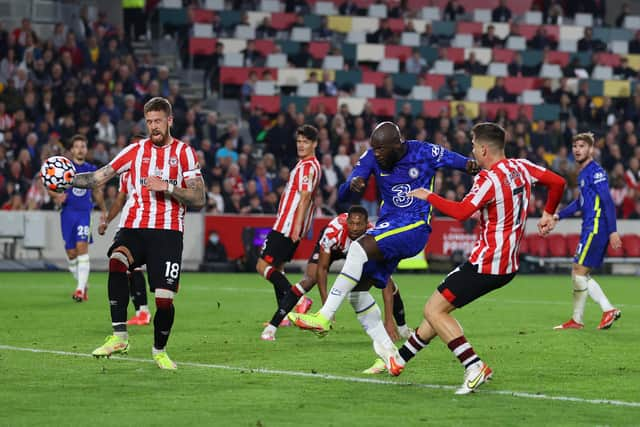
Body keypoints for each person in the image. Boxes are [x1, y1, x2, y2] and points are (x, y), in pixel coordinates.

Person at [386, 122, 566, 395]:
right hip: (508, 265)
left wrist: (429, 196)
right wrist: (548, 212)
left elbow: (461, 212)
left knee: (433, 310)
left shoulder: (487, 179)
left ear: (483, 149)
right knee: (439, 310)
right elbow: (558, 182)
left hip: (487, 262)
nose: (471, 150)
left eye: (472, 145)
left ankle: (474, 365)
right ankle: (399, 360)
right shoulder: (522, 166)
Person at [288, 122, 479, 370]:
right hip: (387, 226)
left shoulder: (423, 152)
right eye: (374, 149)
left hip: (414, 226)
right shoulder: (371, 157)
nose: (376, 154)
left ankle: (324, 316)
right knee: (357, 292)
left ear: (396, 146)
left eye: (381, 150)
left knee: (357, 248)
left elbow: (464, 164)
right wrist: (353, 184)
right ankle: (390, 355)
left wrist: (474, 166)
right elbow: (344, 192)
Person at [67, 97, 205, 370]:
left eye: (158, 121)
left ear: (170, 121)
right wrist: (67, 181)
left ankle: (159, 350)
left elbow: (199, 197)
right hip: (134, 226)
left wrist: (167, 186)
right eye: (149, 121)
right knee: (117, 261)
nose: (153, 127)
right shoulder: (134, 151)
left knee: (164, 300)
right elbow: (98, 177)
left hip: (168, 231)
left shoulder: (185, 153)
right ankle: (119, 336)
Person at [261, 206, 412, 348]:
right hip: (333, 248)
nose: (354, 228)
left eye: (358, 224)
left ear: (367, 225)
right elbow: (323, 268)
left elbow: (384, 280)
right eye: (351, 223)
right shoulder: (333, 232)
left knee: (388, 281)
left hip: (361, 249)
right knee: (309, 279)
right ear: (346, 223)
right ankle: (272, 327)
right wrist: (327, 307)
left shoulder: (374, 238)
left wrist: (388, 321)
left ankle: (403, 329)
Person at [548, 133, 622, 331]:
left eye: (581, 146)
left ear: (591, 149)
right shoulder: (583, 173)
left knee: (579, 272)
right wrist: (558, 216)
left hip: (597, 227)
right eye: (574, 146)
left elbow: (607, 201)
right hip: (590, 227)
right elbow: (581, 202)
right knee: (579, 272)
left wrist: (613, 231)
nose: (577, 149)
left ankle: (607, 310)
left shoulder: (596, 171)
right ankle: (577, 320)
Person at [256, 125, 321, 326]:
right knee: (278, 267)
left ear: (314, 144)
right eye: (299, 141)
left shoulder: (307, 167)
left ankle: (300, 299)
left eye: (306, 142)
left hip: (287, 225)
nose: (301, 145)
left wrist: (296, 226)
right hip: (289, 224)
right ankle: (282, 317)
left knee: (262, 266)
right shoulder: (311, 165)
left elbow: (305, 197)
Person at [48, 134, 106, 302]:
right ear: (72, 150)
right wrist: (56, 197)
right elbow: (50, 184)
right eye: (77, 146)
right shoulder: (65, 168)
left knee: (82, 247)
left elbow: (96, 191)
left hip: (83, 213)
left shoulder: (90, 169)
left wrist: (103, 210)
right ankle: (83, 283)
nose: (80, 149)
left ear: (86, 150)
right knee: (71, 253)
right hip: (67, 213)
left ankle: (80, 290)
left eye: (83, 146)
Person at [98, 170, 151, 326]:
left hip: (141, 224)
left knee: (131, 267)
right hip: (127, 223)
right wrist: (107, 221)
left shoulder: (151, 168)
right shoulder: (126, 174)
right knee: (125, 267)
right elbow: (120, 200)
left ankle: (142, 311)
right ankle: (141, 311)